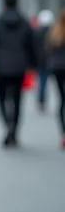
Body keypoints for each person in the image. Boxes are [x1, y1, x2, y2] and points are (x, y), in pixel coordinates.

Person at [0, 0, 37, 147]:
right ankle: (14, 129)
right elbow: (31, 46)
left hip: (0, 66)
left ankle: (7, 124)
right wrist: (33, 65)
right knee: (17, 100)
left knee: (1, 99)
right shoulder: (25, 23)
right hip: (20, 66)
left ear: (4, 4)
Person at [45, 9, 65, 149]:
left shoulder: (55, 32)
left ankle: (63, 133)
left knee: (62, 100)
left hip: (57, 68)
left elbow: (48, 50)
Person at [34, 9, 54, 111]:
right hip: (52, 61)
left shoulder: (37, 33)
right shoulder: (54, 32)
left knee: (42, 83)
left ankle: (41, 101)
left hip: (41, 61)